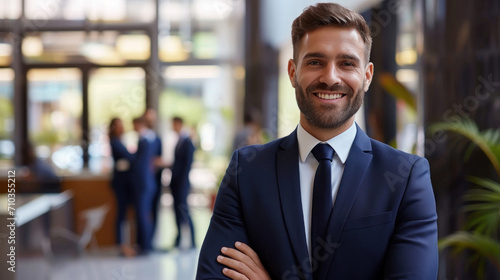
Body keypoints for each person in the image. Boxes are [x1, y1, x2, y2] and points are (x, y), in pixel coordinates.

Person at [196, 3, 438, 280]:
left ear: (367, 76)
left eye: (347, 63)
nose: (330, 78)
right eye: (315, 62)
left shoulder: (406, 177)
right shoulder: (247, 172)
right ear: (292, 72)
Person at [130, 116, 159, 254]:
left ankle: (145, 246)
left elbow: (141, 165)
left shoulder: (145, 140)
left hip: (143, 183)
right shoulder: (148, 139)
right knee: (143, 214)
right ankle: (144, 244)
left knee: (142, 214)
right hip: (147, 183)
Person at [108, 118, 136, 257]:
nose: (121, 128)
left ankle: (125, 245)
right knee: (121, 214)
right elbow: (128, 157)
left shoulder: (119, 141)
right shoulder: (114, 142)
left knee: (124, 215)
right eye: (118, 126)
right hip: (120, 184)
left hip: (125, 183)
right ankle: (122, 246)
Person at [170, 116, 196, 249]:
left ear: (179, 124)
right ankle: (179, 238)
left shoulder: (187, 142)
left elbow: (186, 165)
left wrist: (182, 182)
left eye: (173, 124)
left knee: (184, 210)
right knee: (177, 211)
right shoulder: (179, 140)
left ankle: (193, 240)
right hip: (175, 183)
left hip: (182, 184)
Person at [143, 108, 164, 241]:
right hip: (145, 180)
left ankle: (152, 238)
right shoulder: (143, 137)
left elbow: (159, 158)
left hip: (155, 179)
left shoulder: (157, 139)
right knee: (145, 210)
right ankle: (146, 239)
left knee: (155, 209)